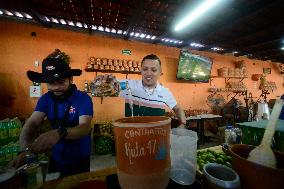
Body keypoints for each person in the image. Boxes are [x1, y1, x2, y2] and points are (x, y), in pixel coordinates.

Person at [13, 49, 93, 177]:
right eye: (51, 83)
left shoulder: (83, 98)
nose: (55, 88)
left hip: (79, 157)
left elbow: (85, 127)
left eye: (61, 82)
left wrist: (60, 133)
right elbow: (32, 122)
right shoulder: (46, 99)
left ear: (70, 79)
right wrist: (25, 149)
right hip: (55, 156)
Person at [97, 54, 186, 128]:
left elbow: (177, 108)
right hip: (132, 136)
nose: (148, 73)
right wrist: (103, 82)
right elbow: (100, 87)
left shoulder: (165, 92)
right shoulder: (129, 85)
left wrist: (183, 124)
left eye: (153, 70)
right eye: (145, 69)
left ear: (160, 72)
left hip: (156, 137)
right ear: (141, 71)